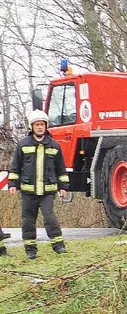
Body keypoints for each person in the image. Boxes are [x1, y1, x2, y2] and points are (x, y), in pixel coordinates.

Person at [6, 109, 69, 259]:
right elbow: (15, 166)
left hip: (48, 191)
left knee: (49, 218)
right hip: (28, 191)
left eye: (42, 124)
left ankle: (59, 245)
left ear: (46, 126)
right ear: (31, 126)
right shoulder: (23, 144)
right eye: (37, 125)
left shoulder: (54, 145)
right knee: (28, 220)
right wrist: (13, 183)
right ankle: (30, 250)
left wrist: (63, 187)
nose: (40, 127)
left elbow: (61, 168)